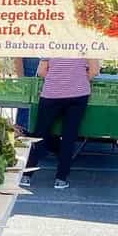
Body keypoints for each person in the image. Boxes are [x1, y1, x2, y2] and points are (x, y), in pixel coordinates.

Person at [21, 56, 98, 190]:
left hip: (51, 94)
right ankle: (61, 179)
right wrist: (77, 79)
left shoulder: (55, 44)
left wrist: (57, 79)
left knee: (39, 134)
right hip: (78, 95)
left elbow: (41, 71)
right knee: (69, 136)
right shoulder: (87, 44)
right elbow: (94, 71)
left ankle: (27, 176)